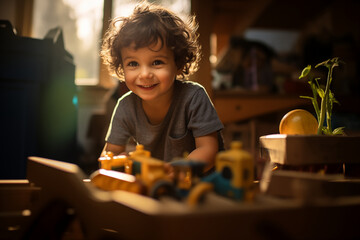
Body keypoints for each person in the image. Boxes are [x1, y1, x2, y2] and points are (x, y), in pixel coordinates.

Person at [100, 1, 224, 175]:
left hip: (205, 184)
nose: (144, 74)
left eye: (157, 62)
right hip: (161, 186)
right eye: (133, 63)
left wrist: (172, 171)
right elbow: (109, 155)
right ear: (121, 67)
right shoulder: (125, 107)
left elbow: (208, 151)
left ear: (179, 64)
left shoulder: (194, 97)